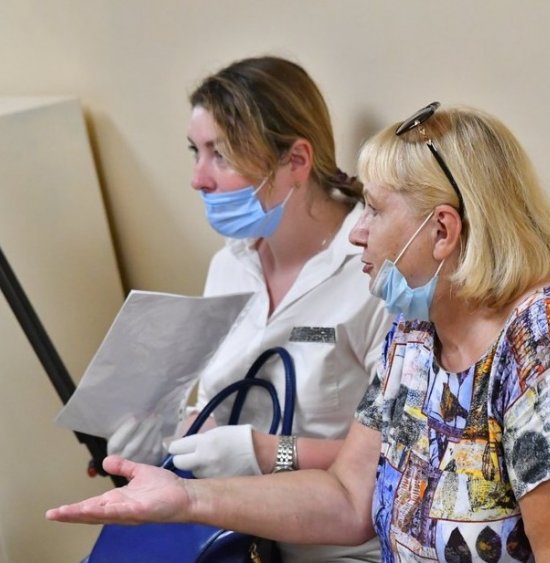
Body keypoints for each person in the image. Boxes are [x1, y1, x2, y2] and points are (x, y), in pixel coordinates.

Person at [49, 103, 550, 562]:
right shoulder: (416, 333)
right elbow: (347, 495)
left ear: (442, 231)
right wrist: (186, 499)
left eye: (373, 208)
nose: (356, 231)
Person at [105, 56, 390, 562]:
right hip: (231, 534)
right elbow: (221, 403)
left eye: (221, 155)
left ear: (296, 161)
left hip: (334, 549)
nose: (198, 179)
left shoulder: (372, 273)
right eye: (195, 152)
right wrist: (168, 434)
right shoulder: (229, 265)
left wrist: (265, 452)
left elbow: (398, 454)